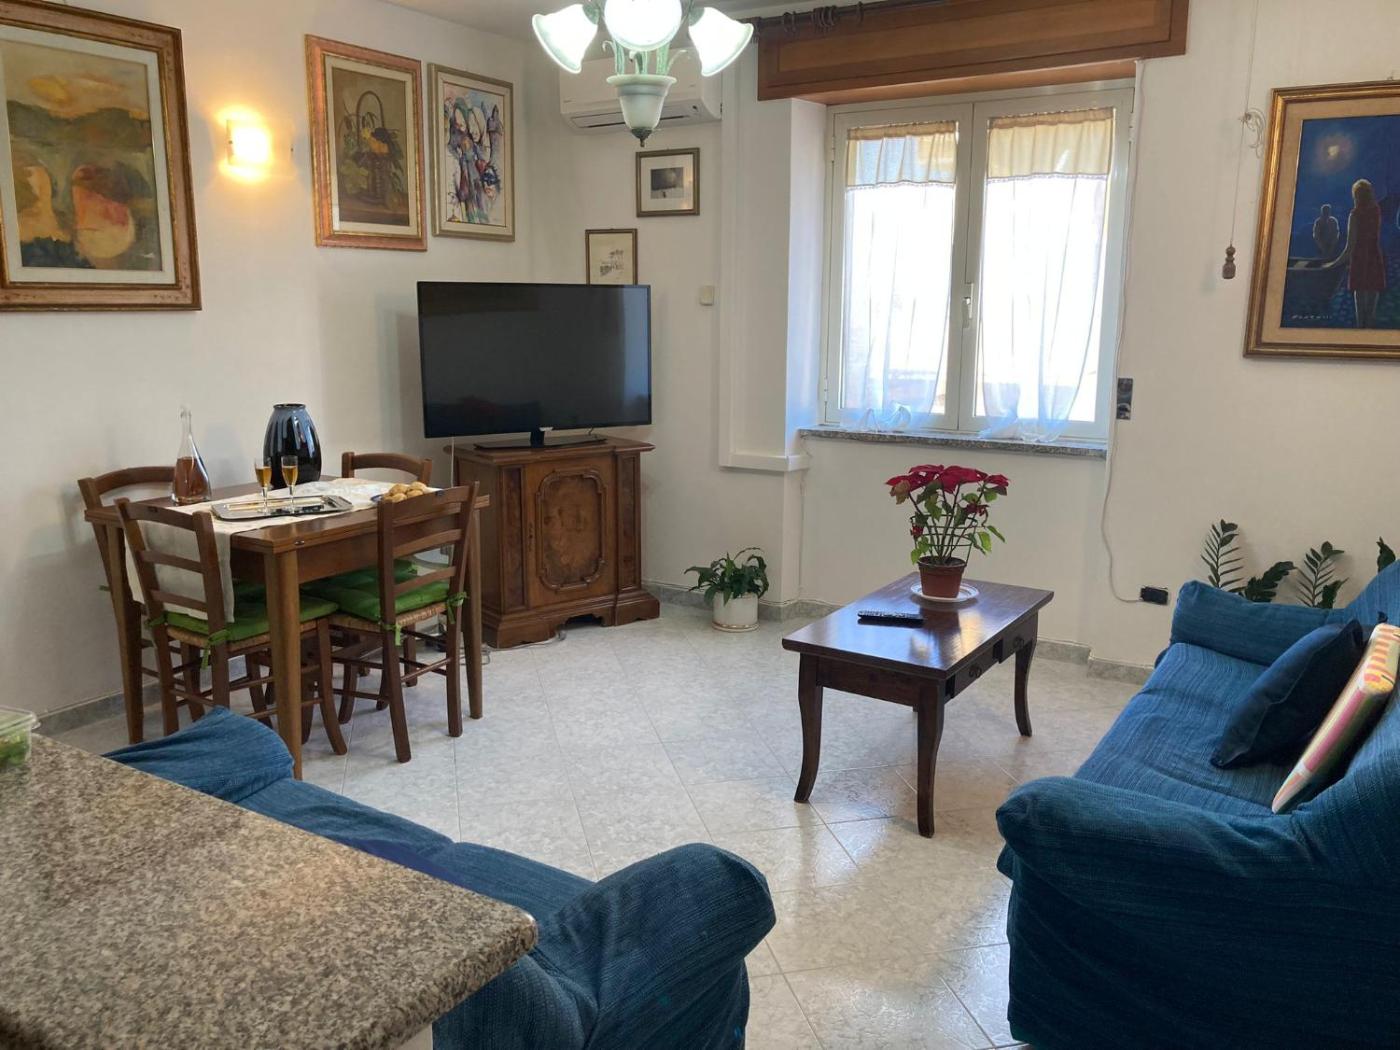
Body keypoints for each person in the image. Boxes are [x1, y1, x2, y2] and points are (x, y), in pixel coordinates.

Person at [1326, 178, 1386, 327]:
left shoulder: (1355, 215)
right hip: (1374, 258)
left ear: (1356, 196)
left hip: (1360, 260)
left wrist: (1333, 264)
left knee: (1360, 313)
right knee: (1371, 313)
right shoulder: (1376, 210)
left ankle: (1360, 335)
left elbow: (1350, 247)